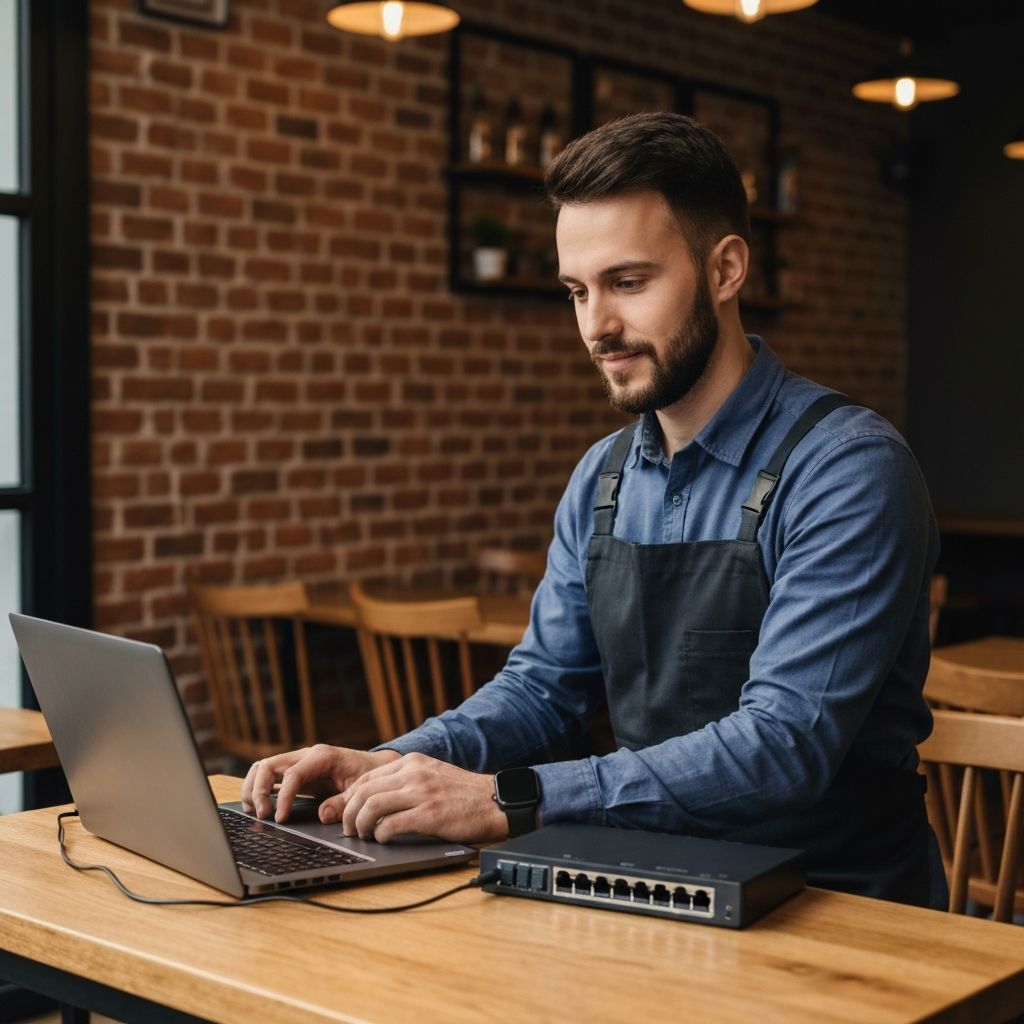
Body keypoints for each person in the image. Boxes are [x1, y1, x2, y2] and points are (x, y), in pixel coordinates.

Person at [243, 112, 945, 908]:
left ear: (725, 270)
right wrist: (391, 763)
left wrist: (508, 799)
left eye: (628, 283)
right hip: (652, 888)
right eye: (578, 291)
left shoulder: (847, 468)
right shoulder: (601, 478)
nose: (596, 327)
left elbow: (782, 746)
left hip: (838, 908)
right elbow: (542, 691)